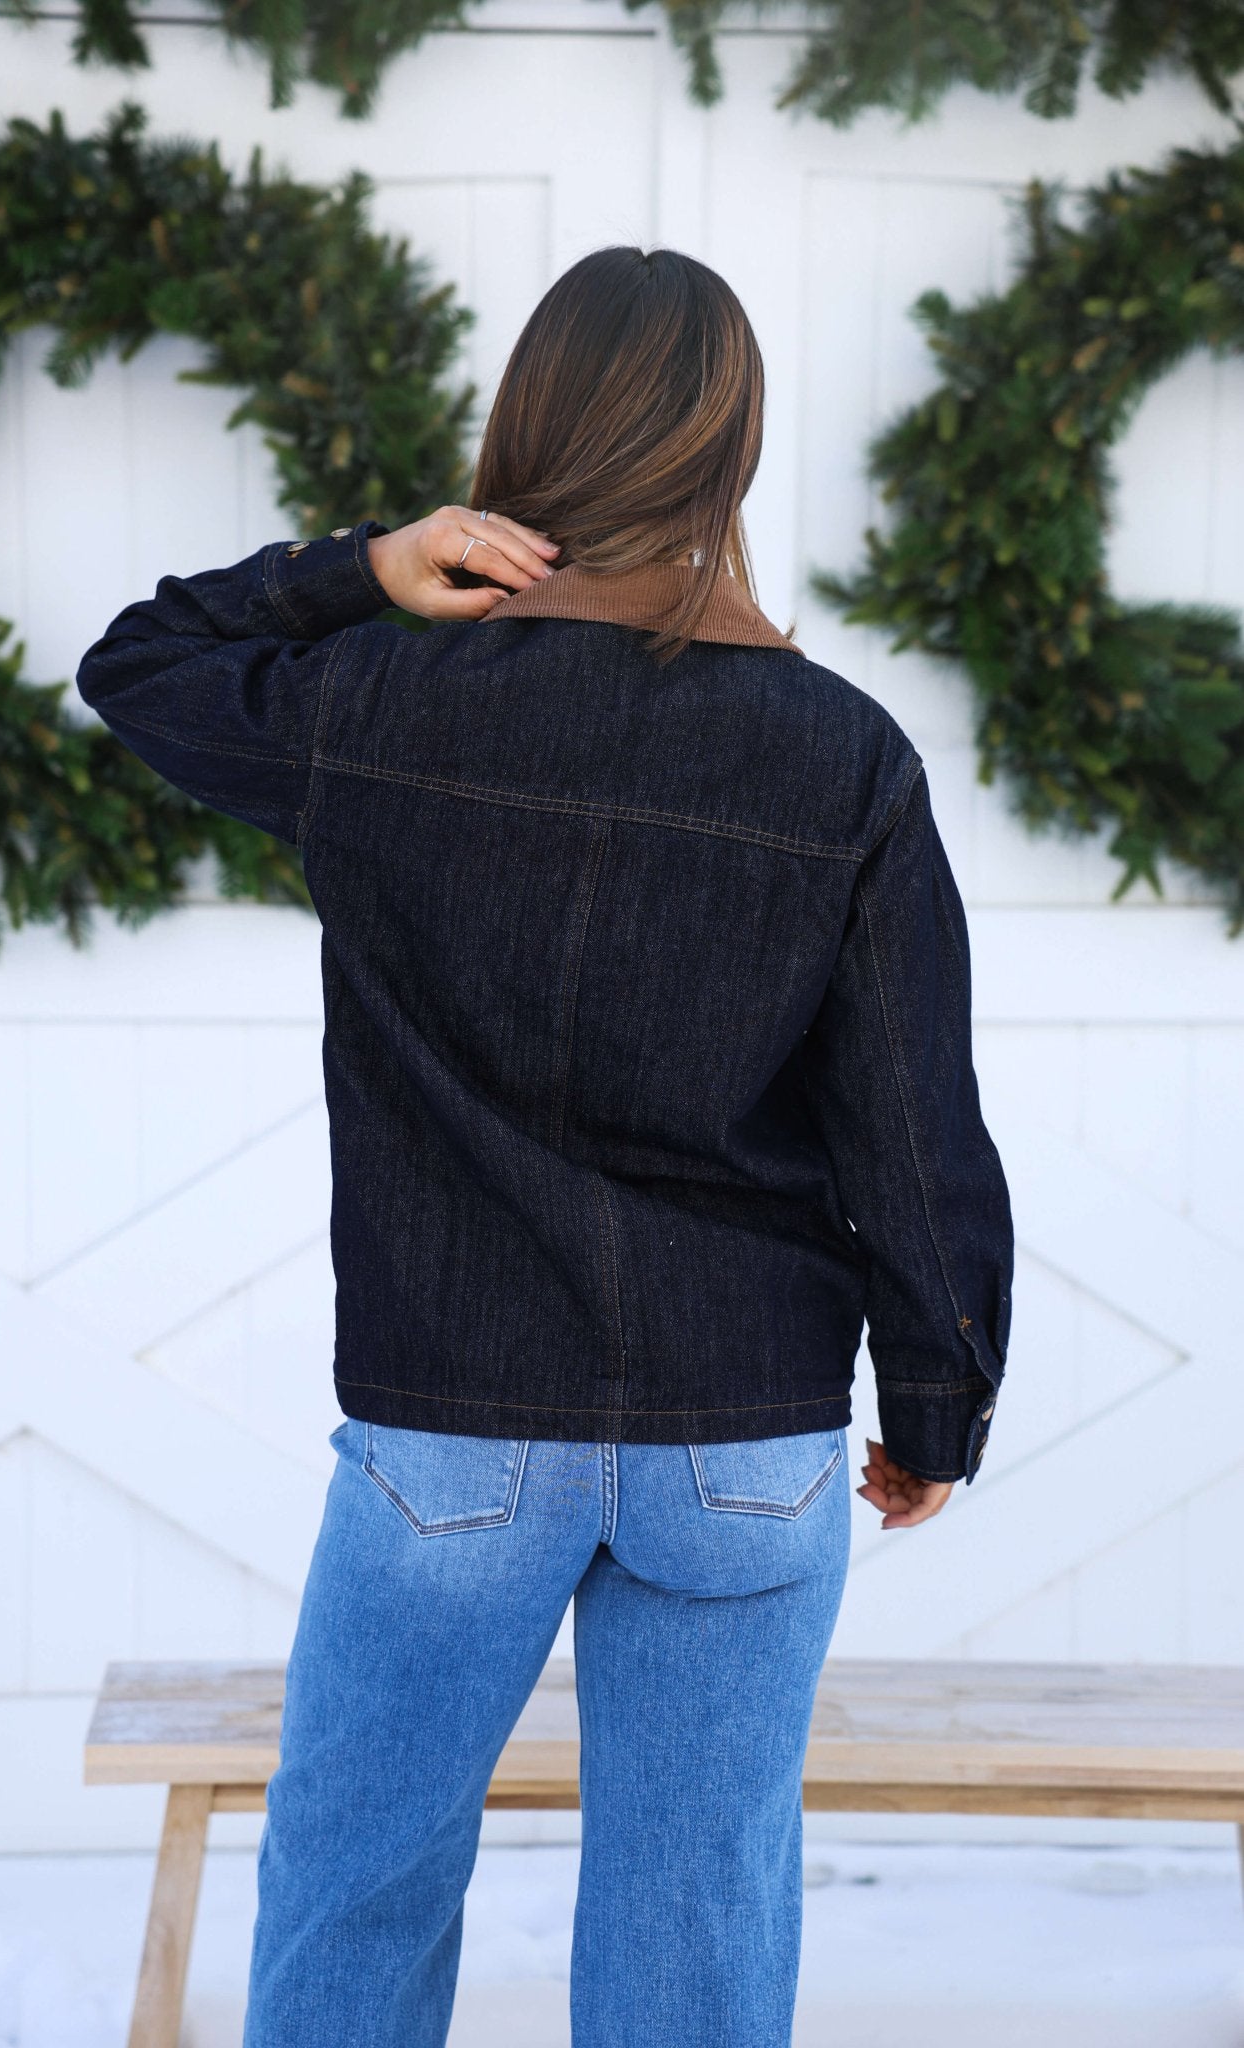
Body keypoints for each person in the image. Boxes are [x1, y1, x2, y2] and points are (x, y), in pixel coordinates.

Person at [76, 244, 1013, 2048]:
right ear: (730, 455)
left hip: (451, 1446)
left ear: (526, 440)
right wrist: (939, 1402)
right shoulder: (842, 757)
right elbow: (912, 1118)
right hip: (743, 1449)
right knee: (698, 1929)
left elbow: (142, 666)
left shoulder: (378, 706)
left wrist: (355, 570)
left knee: (355, 1891)